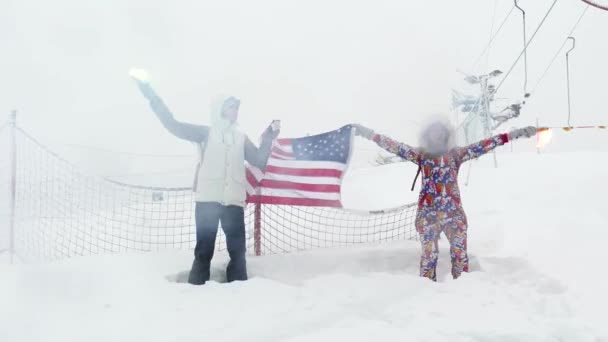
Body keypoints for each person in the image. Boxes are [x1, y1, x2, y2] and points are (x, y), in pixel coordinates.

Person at [134, 80, 279, 285]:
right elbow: (172, 125)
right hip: (207, 202)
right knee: (204, 251)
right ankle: (195, 292)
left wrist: (268, 138)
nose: (236, 110)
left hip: (233, 203)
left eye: (237, 107)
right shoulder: (205, 133)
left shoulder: (241, 137)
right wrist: (151, 95)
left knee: (238, 253)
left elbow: (258, 160)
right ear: (220, 108)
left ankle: (240, 294)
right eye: (231, 106)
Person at [352, 120, 536, 281]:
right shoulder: (421, 155)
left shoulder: (456, 154)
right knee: (429, 256)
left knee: (460, 256)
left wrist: (512, 135)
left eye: (440, 132)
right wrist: (369, 134)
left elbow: (485, 144)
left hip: (453, 215)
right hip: (428, 215)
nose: (437, 136)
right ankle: (425, 290)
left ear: (446, 135)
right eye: (433, 133)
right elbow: (394, 146)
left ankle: (464, 289)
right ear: (427, 136)